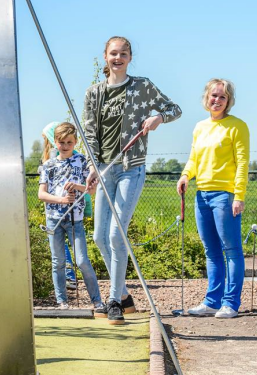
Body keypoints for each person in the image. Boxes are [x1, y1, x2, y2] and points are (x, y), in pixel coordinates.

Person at [84, 36, 182, 325]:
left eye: (123, 53)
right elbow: (89, 132)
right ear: (105, 56)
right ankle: (125, 296)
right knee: (99, 237)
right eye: (113, 53)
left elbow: (175, 109)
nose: (118, 58)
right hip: (104, 169)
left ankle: (113, 300)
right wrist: (92, 166)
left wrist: (158, 119)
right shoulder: (94, 93)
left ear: (129, 57)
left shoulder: (142, 87)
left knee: (117, 234)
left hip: (131, 168)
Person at [177, 78, 250, 319]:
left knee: (231, 250)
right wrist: (186, 176)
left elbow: (242, 164)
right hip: (202, 195)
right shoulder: (200, 127)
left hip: (225, 196)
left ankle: (230, 303)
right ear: (206, 98)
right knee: (211, 251)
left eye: (222, 97)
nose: (217, 100)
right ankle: (211, 301)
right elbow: (194, 159)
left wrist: (238, 196)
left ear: (229, 101)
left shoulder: (237, 126)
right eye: (213, 96)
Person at [38, 122, 104, 311]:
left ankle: (97, 300)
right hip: (54, 219)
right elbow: (41, 194)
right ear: (55, 143)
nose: (65, 146)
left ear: (75, 142)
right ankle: (62, 301)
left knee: (82, 260)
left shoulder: (82, 161)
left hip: (75, 219)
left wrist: (77, 187)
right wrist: (61, 200)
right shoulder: (48, 165)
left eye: (69, 142)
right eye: (61, 142)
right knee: (58, 261)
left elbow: (91, 191)